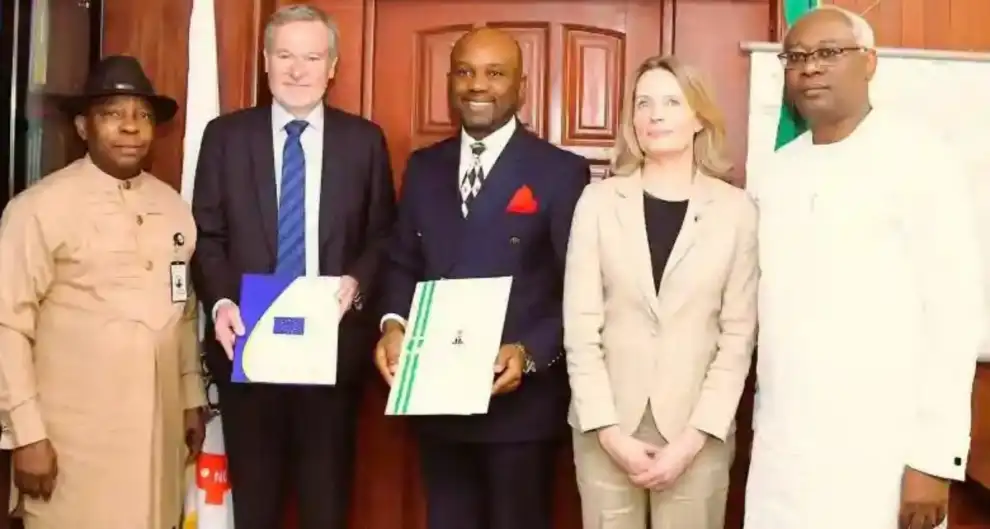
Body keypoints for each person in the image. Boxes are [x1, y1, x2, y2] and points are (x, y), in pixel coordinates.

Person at [744, 7, 984, 529]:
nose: (809, 68)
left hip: (882, 454)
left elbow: (952, 317)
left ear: (870, 62)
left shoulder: (921, 158)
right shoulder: (775, 172)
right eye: (796, 57)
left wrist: (933, 460)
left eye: (829, 53)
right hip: (785, 452)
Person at [373, 27, 590, 529]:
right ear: (450, 81)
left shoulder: (560, 172)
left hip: (519, 406)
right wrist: (392, 325)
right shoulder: (424, 168)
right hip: (437, 400)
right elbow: (403, 261)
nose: (477, 85)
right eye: (465, 72)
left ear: (521, 86)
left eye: (495, 73)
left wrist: (530, 352)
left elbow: (577, 289)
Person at [189, 5, 395, 529]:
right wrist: (222, 301)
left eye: (312, 57)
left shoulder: (364, 141)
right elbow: (207, 236)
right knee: (255, 509)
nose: (298, 70)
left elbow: (382, 235)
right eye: (285, 55)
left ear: (332, 66)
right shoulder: (225, 136)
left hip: (332, 353)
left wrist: (358, 280)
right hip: (246, 346)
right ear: (265, 61)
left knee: (326, 506)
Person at [0, 55, 207, 529]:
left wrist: (190, 397)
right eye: (112, 114)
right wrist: (26, 435)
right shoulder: (37, 209)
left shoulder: (173, 208)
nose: (130, 127)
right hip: (71, 446)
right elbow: (8, 325)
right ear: (82, 126)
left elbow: (183, 310)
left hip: (157, 439)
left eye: (142, 115)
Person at [563, 55, 757, 529]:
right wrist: (609, 433)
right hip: (607, 427)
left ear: (699, 117)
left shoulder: (736, 211)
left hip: (697, 432)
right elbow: (580, 329)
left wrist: (692, 441)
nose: (655, 114)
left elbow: (737, 338)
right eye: (643, 103)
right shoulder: (597, 203)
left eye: (672, 102)